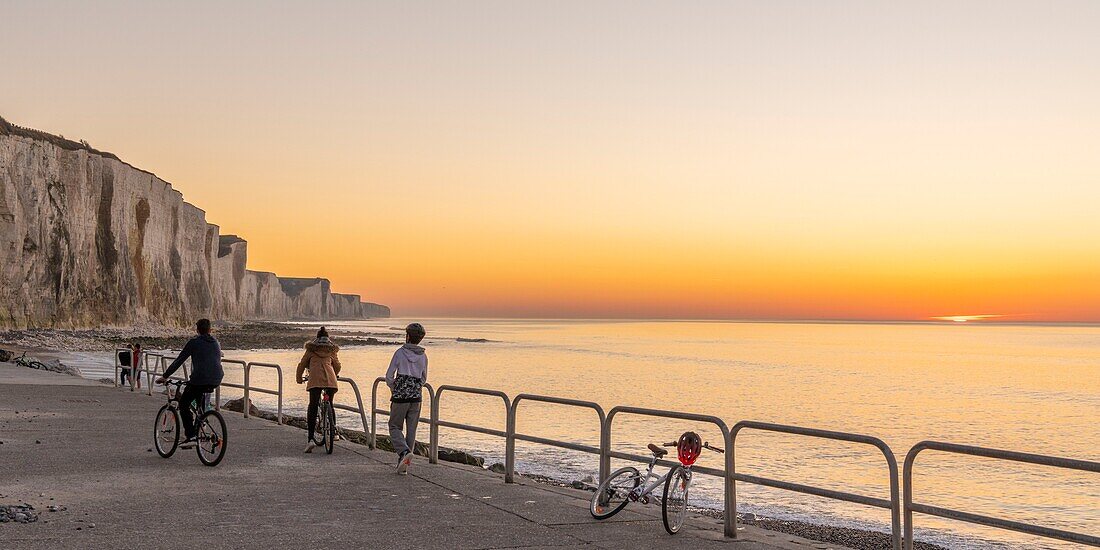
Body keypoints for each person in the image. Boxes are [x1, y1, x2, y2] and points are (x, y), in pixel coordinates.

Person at [156, 319, 224, 449]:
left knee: (183, 404)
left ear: (197, 330)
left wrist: (165, 376)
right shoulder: (215, 342)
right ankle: (201, 424)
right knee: (199, 402)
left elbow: (179, 361)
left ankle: (191, 435)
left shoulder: (194, 343)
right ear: (210, 330)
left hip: (200, 380)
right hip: (216, 379)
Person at [385, 322, 428, 474]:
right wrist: (415, 386)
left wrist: (394, 386)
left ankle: (403, 453)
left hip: (400, 396)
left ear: (408, 336)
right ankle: (404, 465)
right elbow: (424, 378)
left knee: (394, 426)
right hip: (416, 397)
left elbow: (389, 375)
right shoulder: (423, 356)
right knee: (411, 430)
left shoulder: (400, 353)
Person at [296, 326, 341, 453]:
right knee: (330, 404)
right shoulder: (331, 350)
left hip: (315, 380)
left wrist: (299, 378)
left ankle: (310, 439)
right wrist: (335, 373)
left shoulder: (311, 349)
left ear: (317, 338)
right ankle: (334, 431)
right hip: (331, 381)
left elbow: (302, 365)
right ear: (328, 338)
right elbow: (337, 365)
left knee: (313, 407)